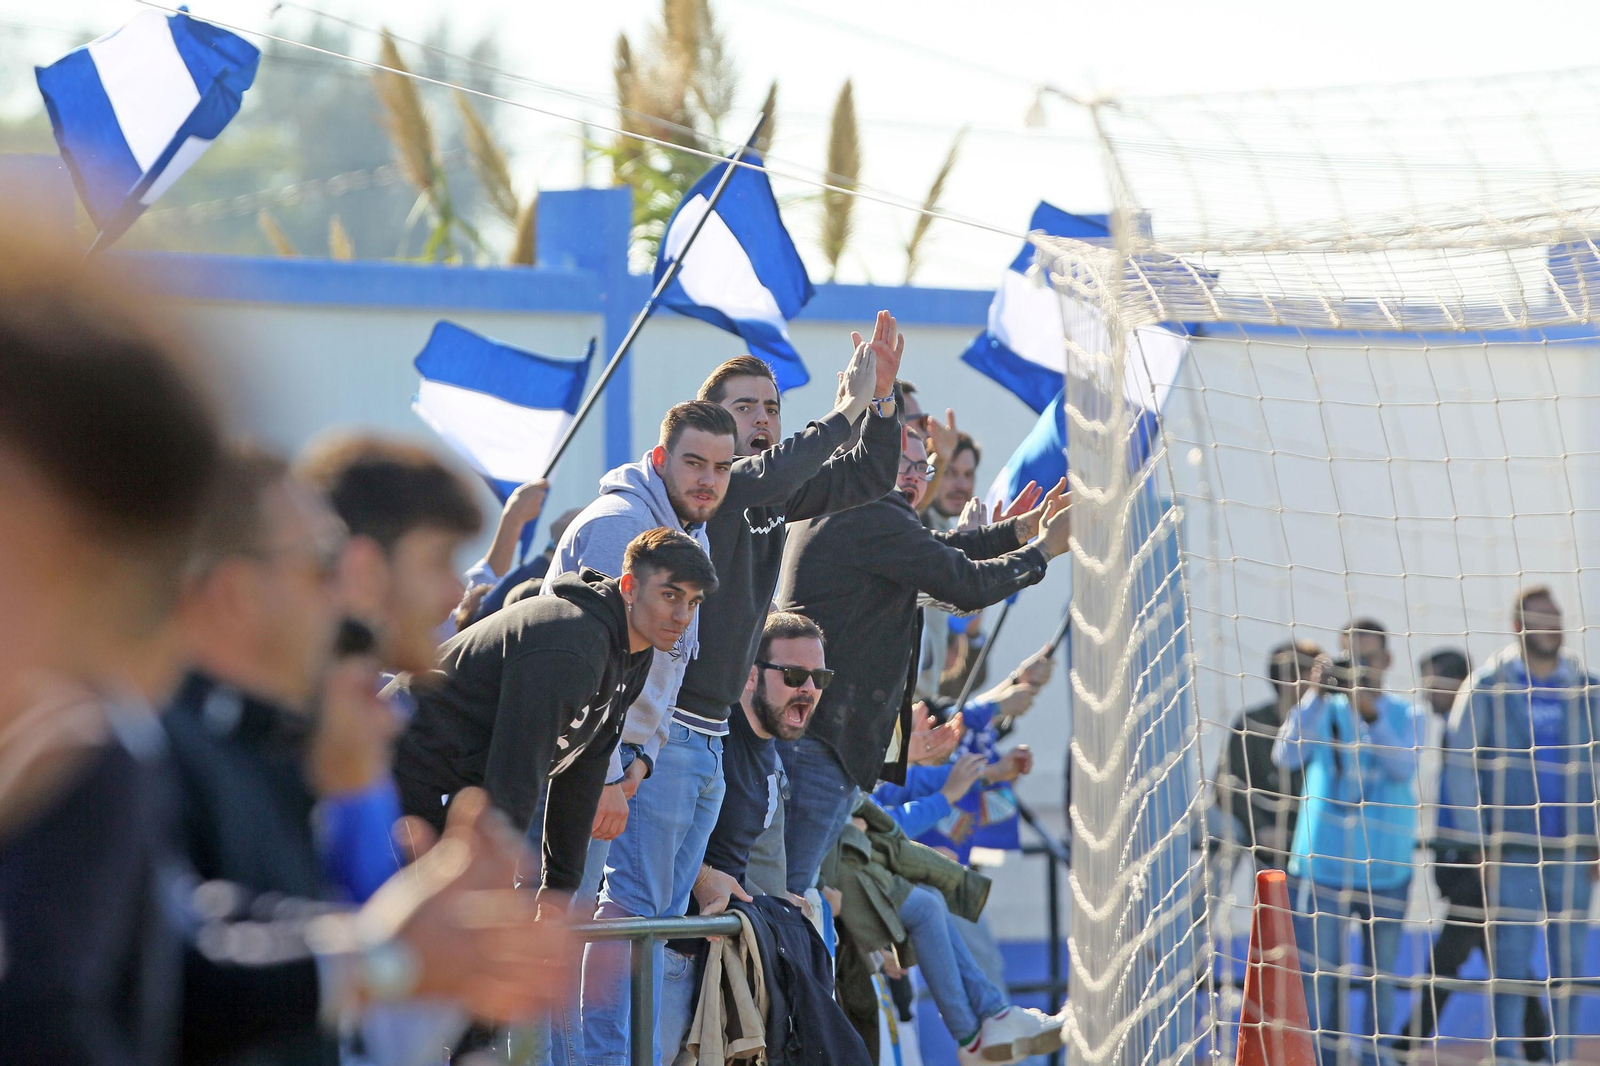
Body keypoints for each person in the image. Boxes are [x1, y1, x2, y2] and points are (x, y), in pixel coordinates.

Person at [0, 228, 575, 1065]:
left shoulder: (137, 745)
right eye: (318, 567)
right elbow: (60, 1006)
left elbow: (185, 947)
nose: (340, 595)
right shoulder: (113, 750)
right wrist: (389, 958)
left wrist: (393, 955)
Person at [573, 326, 903, 1066]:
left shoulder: (765, 491)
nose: (762, 420)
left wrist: (880, 406)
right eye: (745, 407)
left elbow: (868, 476)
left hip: (710, 737)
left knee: (672, 931)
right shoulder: (722, 492)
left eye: (771, 408)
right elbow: (776, 469)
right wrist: (846, 409)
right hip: (663, 737)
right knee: (635, 918)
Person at [776, 427, 1073, 895]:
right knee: (791, 895)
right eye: (903, 464)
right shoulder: (867, 509)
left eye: (923, 467)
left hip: (826, 741)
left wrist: (1022, 530)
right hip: (820, 744)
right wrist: (1044, 549)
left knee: (801, 894)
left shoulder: (849, 505)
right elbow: (964, 584)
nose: (915, 477)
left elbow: (940, 550)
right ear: (865, 458)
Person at [391, 527, 715, 897]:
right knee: (420, 917)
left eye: (693, 603)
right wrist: (492, 893)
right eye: (670, 595)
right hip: (394, 760)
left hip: (448, 782)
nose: (682, 616)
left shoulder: (633, 651)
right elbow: (514, 777)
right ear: (629, 587)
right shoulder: (573, 644)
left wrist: (558, 892)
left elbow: (584, 766)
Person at [295, 435, 487, 903]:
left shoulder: (358, 723)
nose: (456, 591)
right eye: (439, 560)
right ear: (363, 569)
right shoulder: (279, 734)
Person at [658, 611, 831, 1060]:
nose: (808, 689)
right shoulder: (712, 734)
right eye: (793, 675)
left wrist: (772, 901)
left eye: (819, 678)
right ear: (752, 675)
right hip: (668, 956)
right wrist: (701, 878)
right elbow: (644, 829)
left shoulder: (770, 750)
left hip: (715, 964)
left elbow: (737, 859)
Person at [1442, 587, 1600, 1065]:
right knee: (1510, 963)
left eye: (1556, 617)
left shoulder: (1588, 689)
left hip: (1573, 852)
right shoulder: (1488, 686)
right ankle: (1507, 1056)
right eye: (1540, 618)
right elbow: (1460, 766)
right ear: (1518, 626)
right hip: (1510, 852)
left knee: (1569, 966)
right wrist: (1477, 844)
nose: (1552, 626)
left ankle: (1563, 1056)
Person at [1271, 620, 1421, 1066]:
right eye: (1349, 659)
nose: (1359, 669)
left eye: (1367, 659)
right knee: (1319, 981)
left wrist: (1369, 712)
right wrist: (1315, 695)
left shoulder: (1406, 713)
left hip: (1386, 870)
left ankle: (1377, 1061)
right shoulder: (1322, 711)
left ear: (1387, 661)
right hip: (1321, 867)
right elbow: (1285, 756)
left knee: (1381, 981)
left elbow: (1403, 768)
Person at [1397, 649, 1551, 1059]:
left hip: (1477, 863)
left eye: (1431, 682)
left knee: (1450, 960)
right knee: (1499, 955)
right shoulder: (1450, 730)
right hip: (1462, 862)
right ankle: (1539, 1042)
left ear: (1454, 683)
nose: (1425, 692)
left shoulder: (1478, 731)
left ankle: (1405, 1044)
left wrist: (1476, 854)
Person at [1217, 640, 1322, 871]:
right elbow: (1227, 786)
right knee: (1220, 832)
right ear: (1289, 680)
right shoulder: (1251, 724)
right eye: (1315, 677)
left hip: (1314, 841)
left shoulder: (1332, 725)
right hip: (1262, 838)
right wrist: (1260, 828)